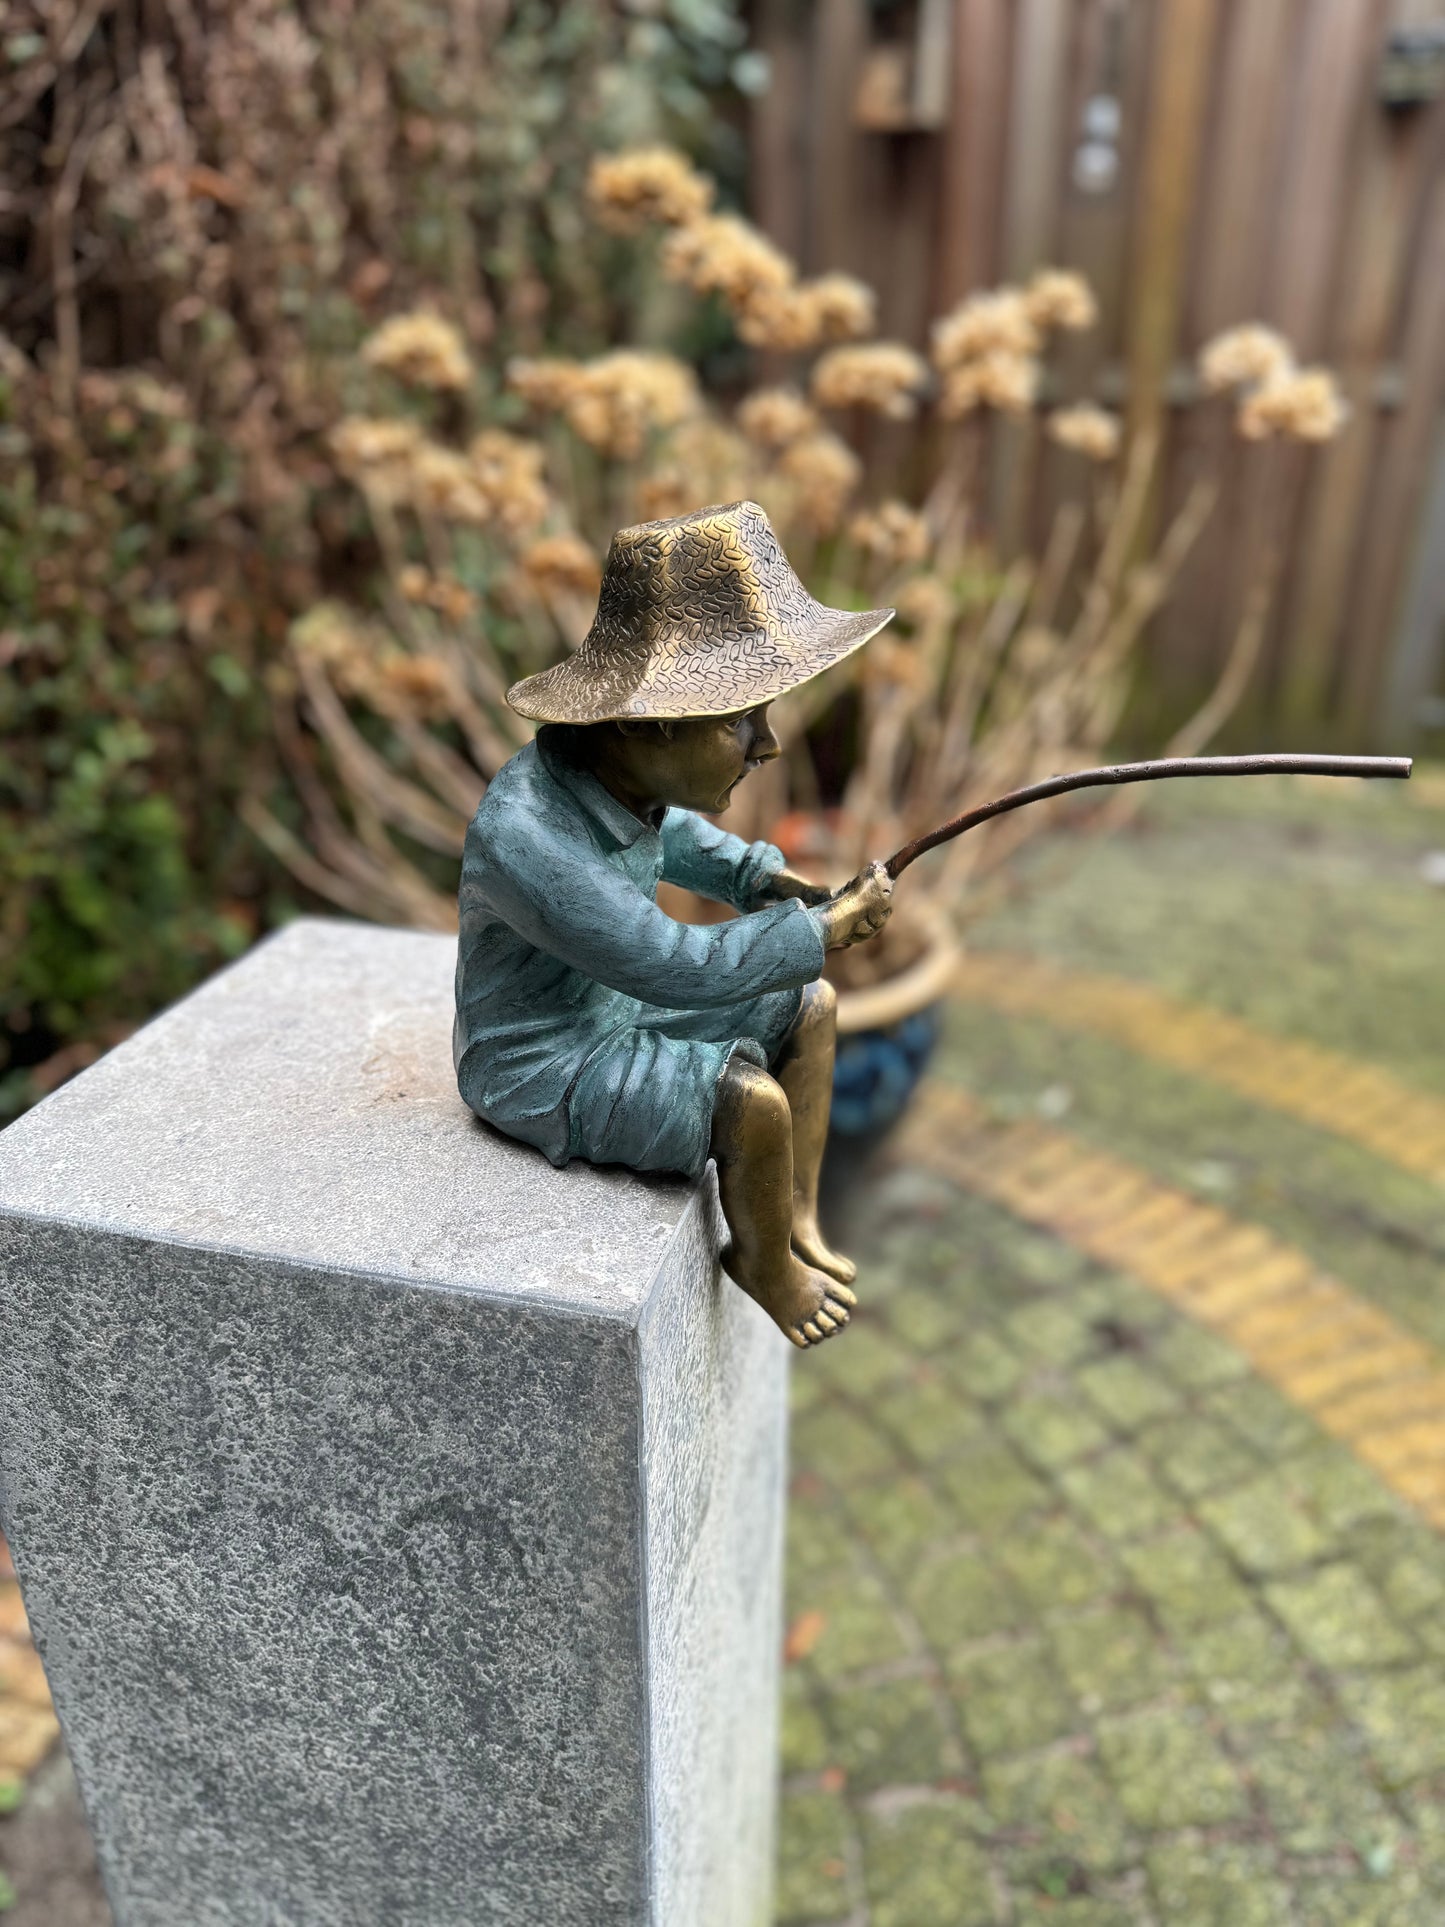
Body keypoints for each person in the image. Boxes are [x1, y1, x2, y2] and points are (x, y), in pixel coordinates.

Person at [454, 500, 895, 1347]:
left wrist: (760, 876)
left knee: (811, 1006)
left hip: (612, 1009)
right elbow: (676, 965)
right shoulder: (526, 838)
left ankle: (795, 1214)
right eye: (739, 723)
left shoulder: (619, 776)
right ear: (644, 725)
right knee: (750, 1105)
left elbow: (678, 834)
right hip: (544, 1056)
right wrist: (822, 929)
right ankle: (760, 1263)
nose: (765, 744)